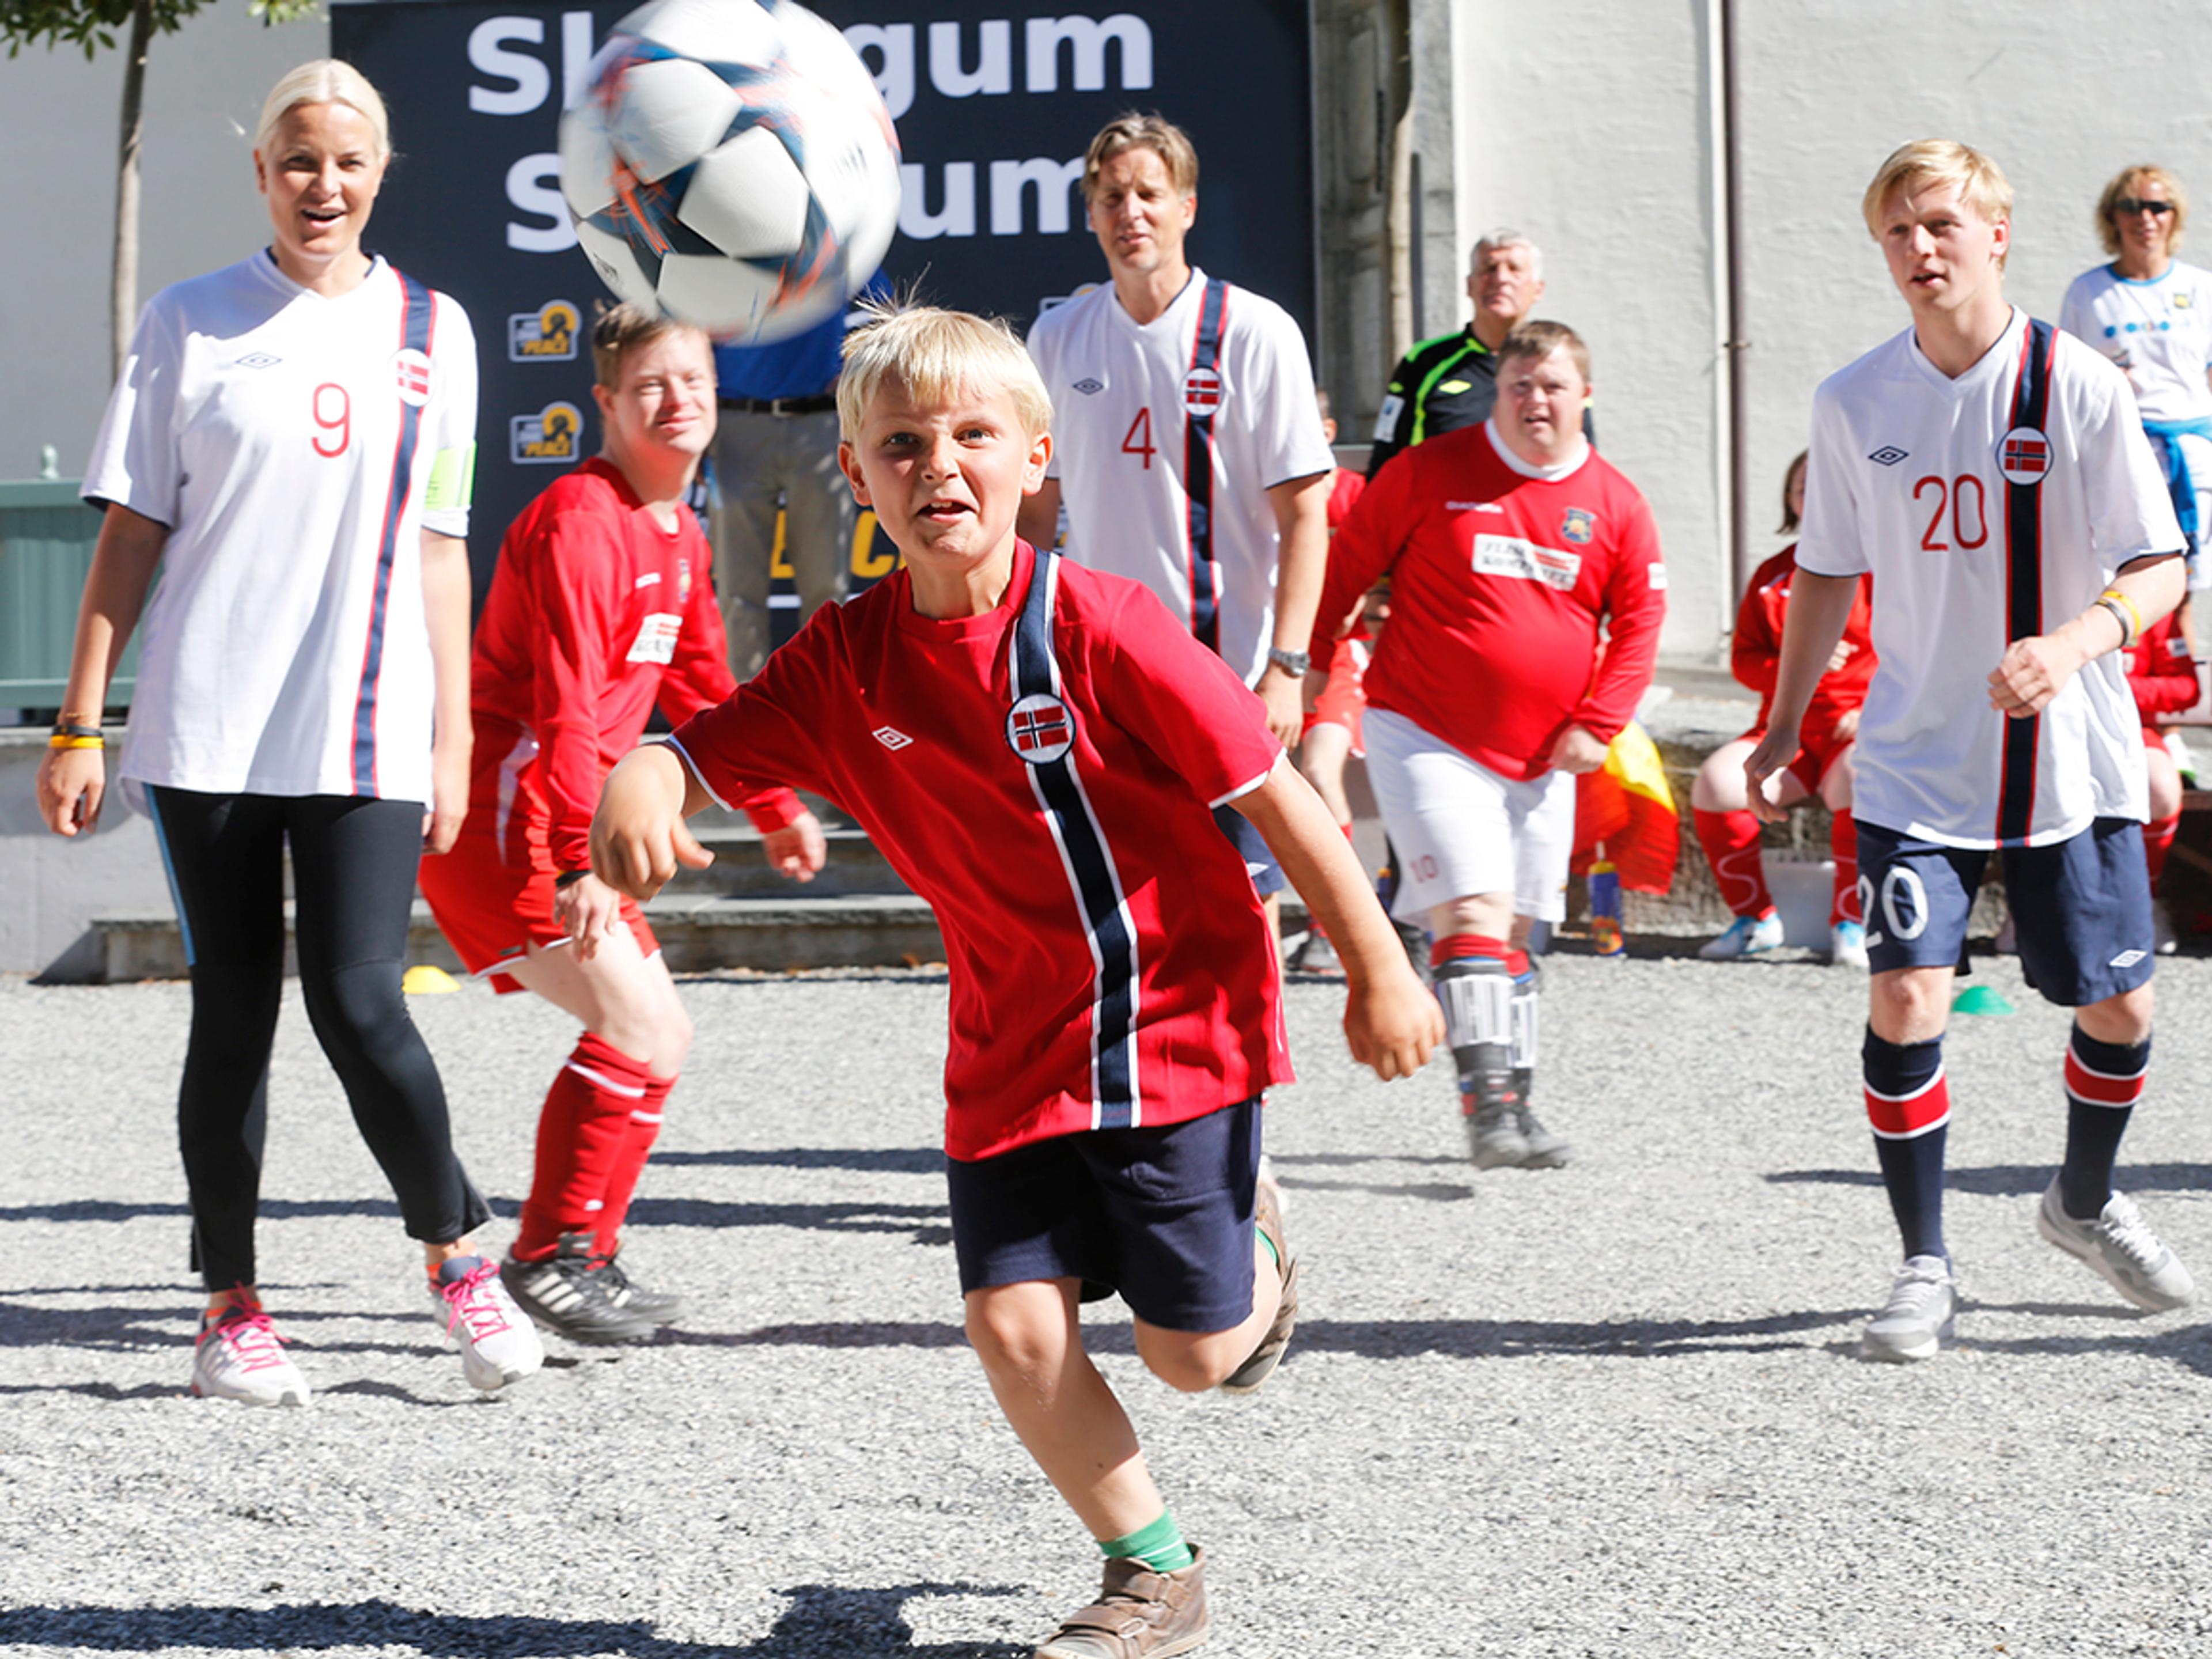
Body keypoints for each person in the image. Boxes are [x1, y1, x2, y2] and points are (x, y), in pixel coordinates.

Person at [589, 304, 1440, 1659]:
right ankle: (1151, 1570)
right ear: (856, 476)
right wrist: (642, 773)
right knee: (1010, 1325)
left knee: (1193, 1358)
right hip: (1008, 1044)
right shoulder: (845, 658)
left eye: (972, 436)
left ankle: (1261, 1241)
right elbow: (695, 753)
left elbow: (1278, 800)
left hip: (1172, 1024)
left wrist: (1378, 971)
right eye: (901, 444)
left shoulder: (1106, 627)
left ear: (1036, 457)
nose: (939, 465)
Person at [34, 59, 542, 1405]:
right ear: (261, 172)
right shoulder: (189, 320)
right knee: (235, 1015)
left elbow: (441, 548)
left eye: (349, 161)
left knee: (364, 1003)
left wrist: (450, 741)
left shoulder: (436, 331)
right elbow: (131, 532)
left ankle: (458, 1259)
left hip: (366, 726)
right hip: (205, 728)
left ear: (382, 174)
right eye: (300, 160)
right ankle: (232, 1309)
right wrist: (79, 722)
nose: (325, 184)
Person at [1751, 139, 2197, 1366]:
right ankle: (1925, 1264)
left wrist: (2074, 643)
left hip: (2070, 756)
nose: (1920, 249)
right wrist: (1783, 726)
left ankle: (2084, 1202)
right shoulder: (1854, 401)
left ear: (1998, 234)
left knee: (2119, 1006)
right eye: (1897, 230)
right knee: (1906, 995)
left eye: (1942, 224)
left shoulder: (2080, 384)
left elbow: (2160, 564)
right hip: (1916, 758)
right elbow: (1827, 570)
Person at [418, 305, 825, 1344]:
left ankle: (585, 1256)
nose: (677, 400)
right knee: (637, 1028)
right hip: (512, 827)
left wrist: (774, 806)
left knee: (661, 1034)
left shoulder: (678, 526)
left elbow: (702, 688)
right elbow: (564, 707)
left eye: (692, 380)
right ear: (606, 403)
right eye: (650, 385)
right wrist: (577, 862)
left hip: (562, 824)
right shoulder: (581, 519)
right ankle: (545, 1257)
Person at [1312, 319, 1666, 1172]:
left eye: (1553, 386)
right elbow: (1343, 573)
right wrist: (1305, 673)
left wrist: (1599, 724)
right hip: (1423, 730)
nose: (1535, 401)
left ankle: (1520, 1107)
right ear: (1497, 392)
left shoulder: (1616, 502)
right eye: (1519, 386)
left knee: (1517, 928)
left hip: (1545, 755)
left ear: (1585, 397)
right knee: (1470, 910)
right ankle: (1490, 1111)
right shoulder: (1429, 471)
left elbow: (1640, 623)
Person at [1018, 113, 1336, 940]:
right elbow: (1036, 507)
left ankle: (1256, 1033)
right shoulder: (1058, 335)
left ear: (1187, 208)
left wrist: (1287, 669)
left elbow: (1307, 513)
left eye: (1149, 195)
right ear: (1090, 214)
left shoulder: (1255, 330)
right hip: (1102, 674)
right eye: (1111, 197)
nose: (1131, 212)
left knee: (1247, 894)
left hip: (1230, 669)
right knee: (1125, 896)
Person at [1692, 450, 1874, 966]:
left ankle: (1851, 923)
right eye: (1801, 487)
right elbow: (1743, 660)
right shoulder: (1773, 575)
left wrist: (1875, 712)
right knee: (1716, 782)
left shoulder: (1884, 568)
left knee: (1861, 779)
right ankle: (1755, 920)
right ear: (1789, 501)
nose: (1813, 496)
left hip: (1856, 732)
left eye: (1826, 485)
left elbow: (1919, 654)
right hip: (1783, 733)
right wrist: (1795, 662)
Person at [2060, 165, 2212, 650]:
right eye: (2131, 207)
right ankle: (2127, 676)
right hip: (2124, 448)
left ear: (2174, 216)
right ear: (2113, 217)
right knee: (2123, 572)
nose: (2145, 218)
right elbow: (2069, 377)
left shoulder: (2201, 288)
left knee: (2182, 585)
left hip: (2190, 450)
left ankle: (2177, 682)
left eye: (2157, 207)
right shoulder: (2089, 292)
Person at [1365, 229, 1594, 481]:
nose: (1500, 279)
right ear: (1469, 286)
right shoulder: (1425, 361)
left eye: (1514, 269)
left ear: (1538, 289)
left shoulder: (1560, 363)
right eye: (1489, 268)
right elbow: (1386, 458)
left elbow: (1583, 457)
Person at [710, 304, 861, 679]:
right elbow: (685, 325)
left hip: (820, 424)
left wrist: (856, 370)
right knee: (737, 589)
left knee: (826, 586)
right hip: (735, 424)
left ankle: (824, 699)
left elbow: (888, 313)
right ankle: (741, 704)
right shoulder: (714, 264)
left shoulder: (840, 264)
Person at [2123, 607, 2195, 953]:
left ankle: (2144, 901)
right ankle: (2027, 909)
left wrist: (2115, 689)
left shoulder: (2147, 603)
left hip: (2133, 730)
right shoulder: (2053, 598)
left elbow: (2185, 687)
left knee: (2162, 789)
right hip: (2055, 728)